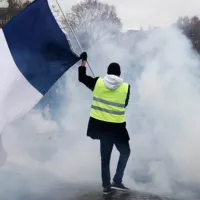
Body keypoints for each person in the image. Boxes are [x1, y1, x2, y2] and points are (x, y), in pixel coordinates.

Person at [78, 52, 131, 194]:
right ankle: (117, 180)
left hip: (102, 128)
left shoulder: (98, 83)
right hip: (118, 129)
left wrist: (84, 61)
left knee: (105, 158)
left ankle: (107, 186)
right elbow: (124, 104)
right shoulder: (126, 87)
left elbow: (82, 78)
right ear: (119, 74)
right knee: (125, 152)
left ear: (107, 72)